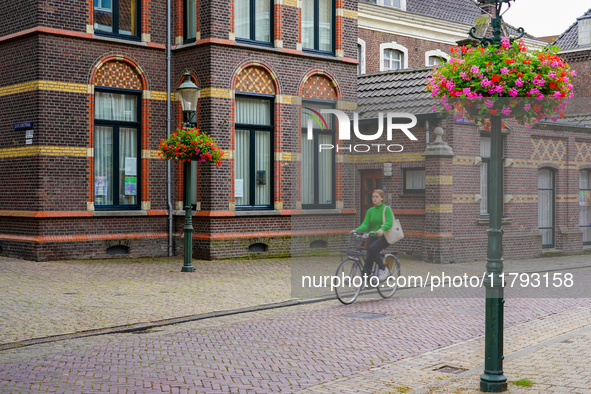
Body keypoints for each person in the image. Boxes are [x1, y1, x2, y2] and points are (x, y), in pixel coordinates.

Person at [352, 189, 393, 281]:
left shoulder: (386, 209)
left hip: (384, 237)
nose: (374, 199)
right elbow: (366, 224)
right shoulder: (370, 210)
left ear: (382, 198)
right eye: (373, 197)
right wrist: (356, 230)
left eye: (377, 197)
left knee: (372, 249)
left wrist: (382, 229)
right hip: (374, 236)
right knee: (369, 256)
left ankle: (383, 268)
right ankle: (366, 280)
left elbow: (389, 222)